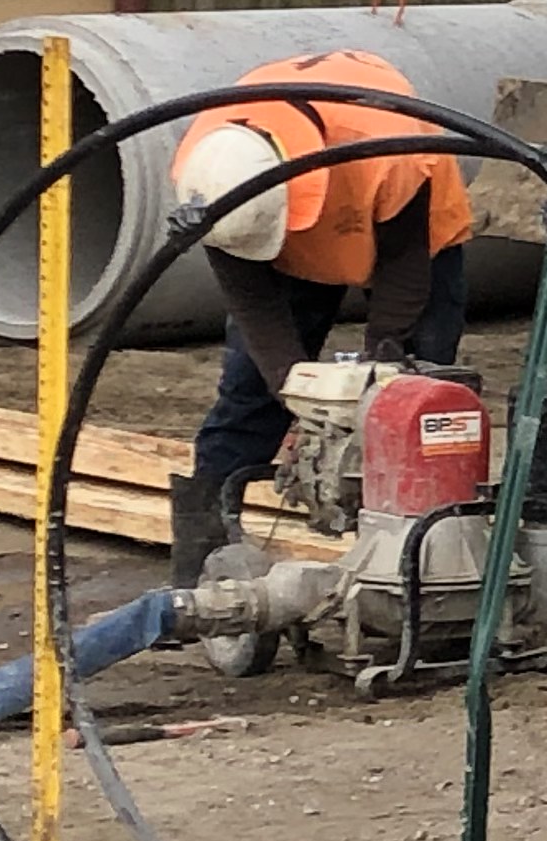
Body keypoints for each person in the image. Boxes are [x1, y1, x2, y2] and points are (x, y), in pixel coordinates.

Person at [163, 48, 472, 583]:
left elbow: (404, 270)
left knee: (419, 400)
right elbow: (253, 302)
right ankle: (199, 575)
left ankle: (418, 560)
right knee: (247, 396)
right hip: (289, 234)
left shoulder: (386, 148)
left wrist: (382, 376)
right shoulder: (211, 171)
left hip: (409, 229)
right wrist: (295, 391)